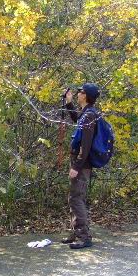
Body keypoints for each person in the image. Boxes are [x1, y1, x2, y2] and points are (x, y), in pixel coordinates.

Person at [61, 83, 100, 249]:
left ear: (85, 96)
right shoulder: (87, 113)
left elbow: (86, 145)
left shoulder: (90, 116)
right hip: (81, 163)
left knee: (76, 198)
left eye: (80, 92)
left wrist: (76, 166)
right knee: (75, 198)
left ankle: (84, 237)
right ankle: (77, 232)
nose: (78, 94)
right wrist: (69, 103)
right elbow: (77, 119)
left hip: (82, 165)